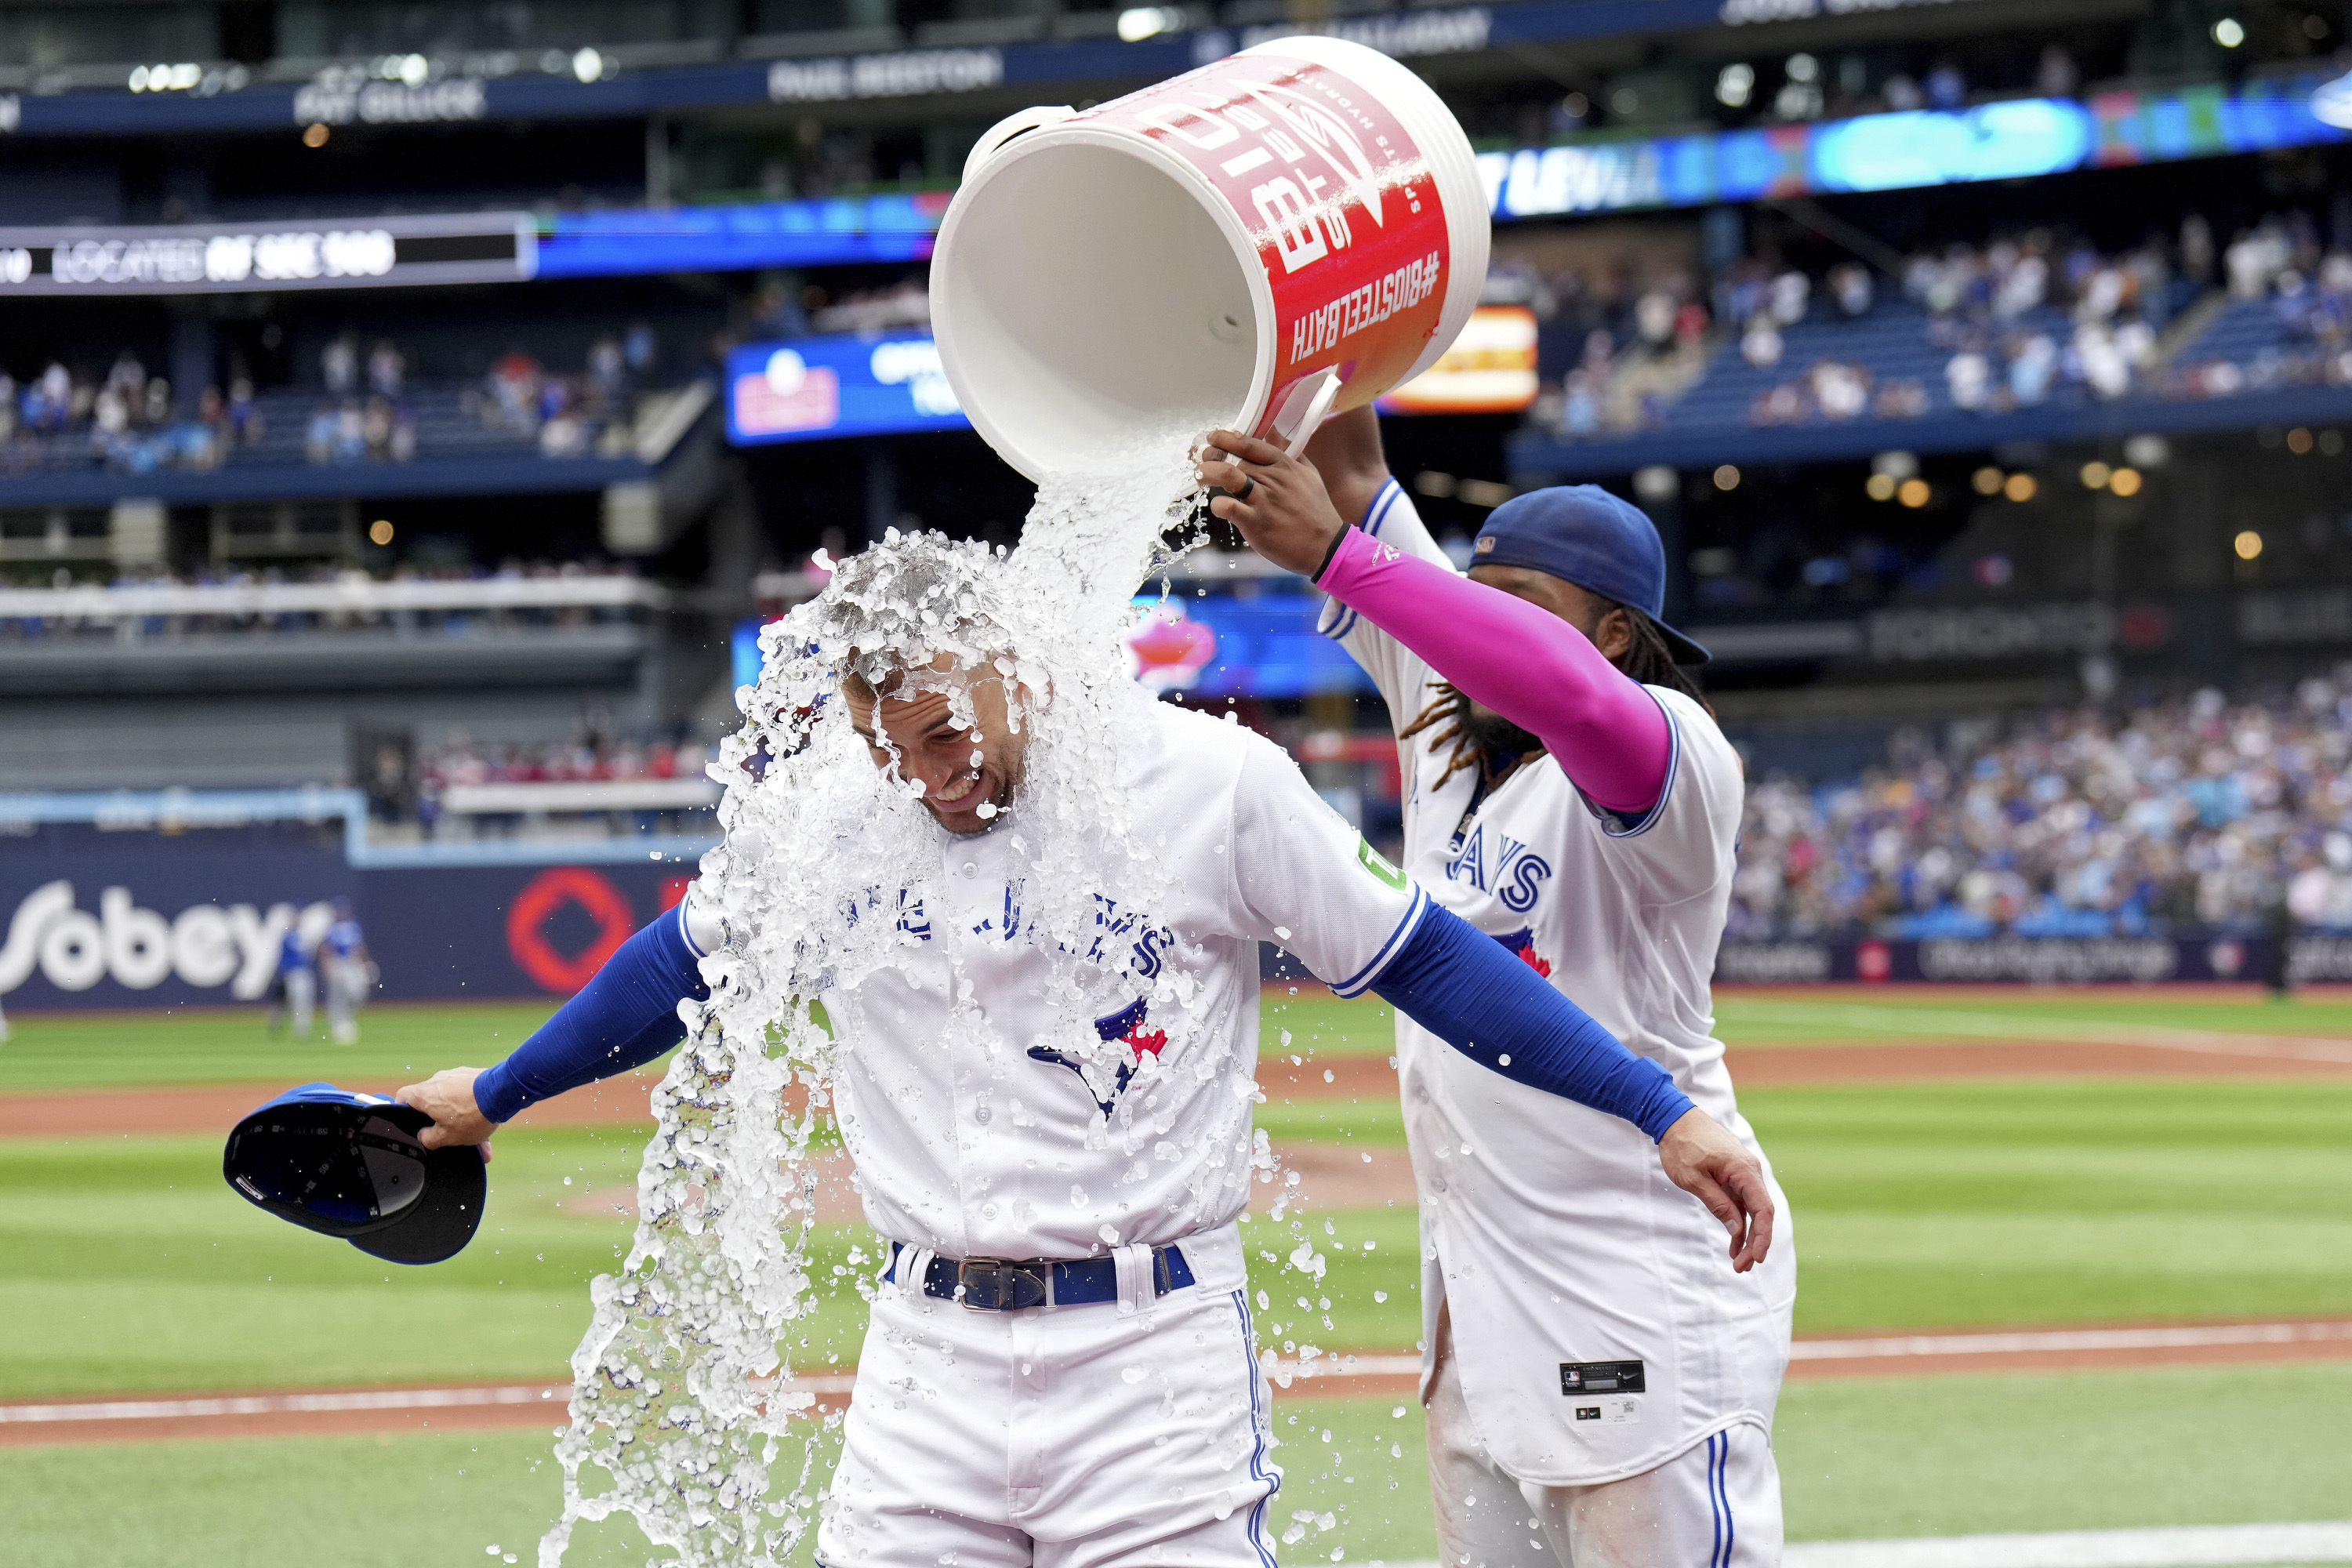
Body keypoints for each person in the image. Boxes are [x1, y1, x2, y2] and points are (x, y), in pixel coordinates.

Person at [394, 534, 1774, 1568]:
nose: (926, 776)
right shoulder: (835, 814)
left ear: (1014, 664)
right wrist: (498, 1094)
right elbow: (682, 964)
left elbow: (1424, 958)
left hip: (1151, 1358)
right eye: (888, 748)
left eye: (942, 731)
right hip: (922, 1359)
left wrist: (1658, 1108)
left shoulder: (1207, 782)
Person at [1200, 412, 1797, 1568]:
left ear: (1616, 634)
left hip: (1637, 1288)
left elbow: (1568, 697)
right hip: (1478, 1316)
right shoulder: (1451, 713)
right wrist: (1293, 311)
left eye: (1519, 604)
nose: (1472, 631)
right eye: (1475, 595)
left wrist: (1339, 560)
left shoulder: (1671, 756)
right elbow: (1356, 469)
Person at [320, 899, 372, 1044]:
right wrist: (329, 968)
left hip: (352, 963)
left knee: (359, 993)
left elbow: (359, 947)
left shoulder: (353, 926)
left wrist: (366, 963)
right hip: (338, 963)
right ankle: (337, 1025)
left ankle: (347, 1019)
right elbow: (325, 950)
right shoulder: (331, 928)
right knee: (337, 997)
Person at [266, 918, 318, 1040]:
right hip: (291, 973)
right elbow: (282, 956)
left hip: (305, 972)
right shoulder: (288, 936)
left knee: (304, 1001)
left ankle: (303, 1028)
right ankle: (297, 1028)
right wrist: (281, 973)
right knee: (292, 1001)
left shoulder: (306, 936)